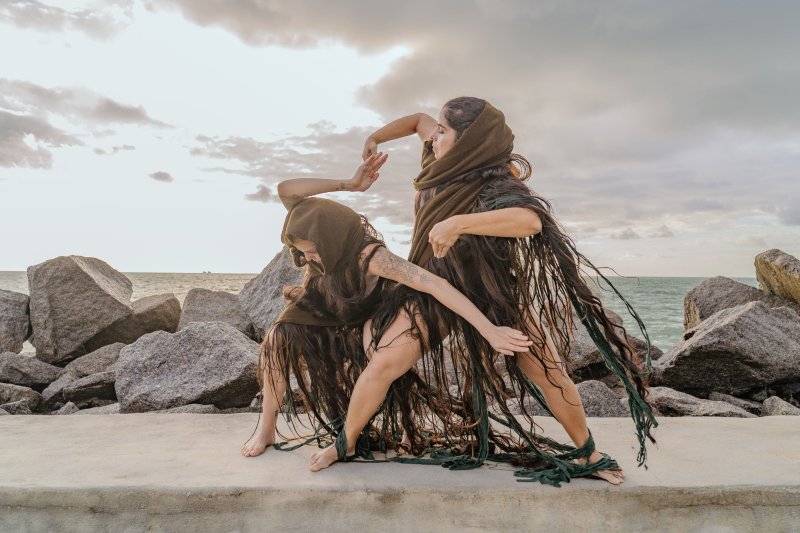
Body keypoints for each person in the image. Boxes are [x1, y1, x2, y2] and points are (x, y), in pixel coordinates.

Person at [304, 97, 659, 486]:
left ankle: (588, 452)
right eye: (438, 130)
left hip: (491, 291)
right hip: (433, 286)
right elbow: (418, 120)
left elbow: (529, 221)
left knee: (548, 371)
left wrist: (458, 223)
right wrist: (374, 137)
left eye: (443, 131)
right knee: (386, 362)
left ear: (468, 141)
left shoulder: (497, 183)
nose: (433, 136)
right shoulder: (438, 160)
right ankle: (344, 444)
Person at [240, 152, 532, 461]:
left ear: (330, 239)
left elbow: (435, 284)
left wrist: (488, 329)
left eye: (313, 251)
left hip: (363, 313)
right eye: (302, 253)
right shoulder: (307, 222)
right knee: (275, 340)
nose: (308, 259)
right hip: (320, 303)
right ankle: (266, 429)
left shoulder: (371, 257)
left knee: (382, 352)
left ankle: (399, 427)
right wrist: (350, 184)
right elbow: (286, 189)